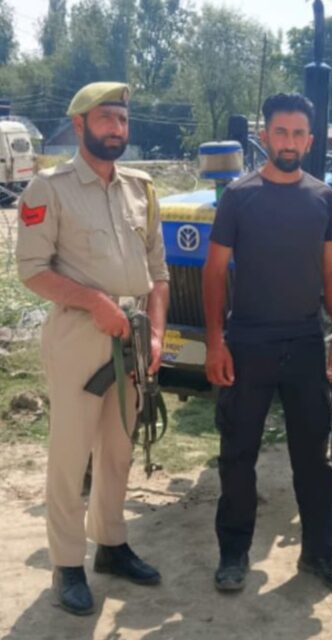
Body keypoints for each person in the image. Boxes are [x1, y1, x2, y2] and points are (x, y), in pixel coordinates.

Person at [16, 81, 170, 616]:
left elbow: (158, 274)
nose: (117, 129)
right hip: (80, 336)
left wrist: (155, 333)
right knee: (70, 453)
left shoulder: (141, 189)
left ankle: (111, 542)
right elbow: (32, 271)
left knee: (119, 449)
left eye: (123, 120)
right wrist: (94, 303)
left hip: (130, 338)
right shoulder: (49, 188)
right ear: (79, 125)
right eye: (106, 119)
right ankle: (66, 563)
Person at [201, 92, 332, 596]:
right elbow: (214, 272)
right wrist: (216, 342)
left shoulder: (322, 198)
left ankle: (320, 552)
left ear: (310, 140)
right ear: (265, 136)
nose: (289, 142)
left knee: (313, 456)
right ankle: (233, 553)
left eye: (298, 134)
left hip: (306, 342)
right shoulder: (238, 197)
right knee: (238, 454)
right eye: (280, 132)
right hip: (248, 342)